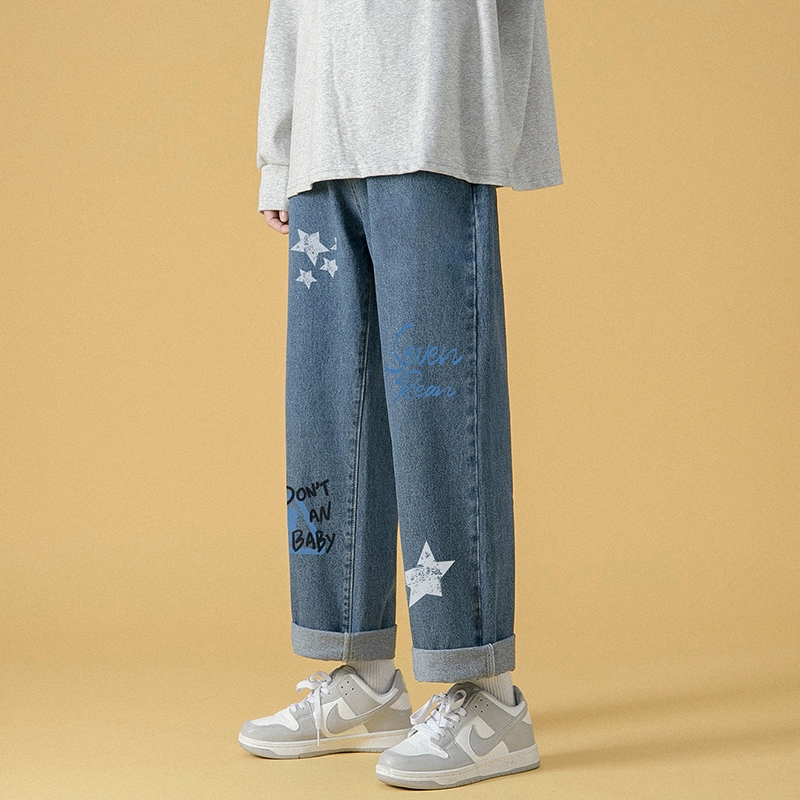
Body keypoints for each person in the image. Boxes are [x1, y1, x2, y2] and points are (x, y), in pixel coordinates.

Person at [238, 0, 563, 789]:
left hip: (430, 126)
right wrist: (279, 152)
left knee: (439, 415)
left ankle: (486, 694)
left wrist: (499, 121)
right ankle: (362, 677)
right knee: (326, 414)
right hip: (323, 139)